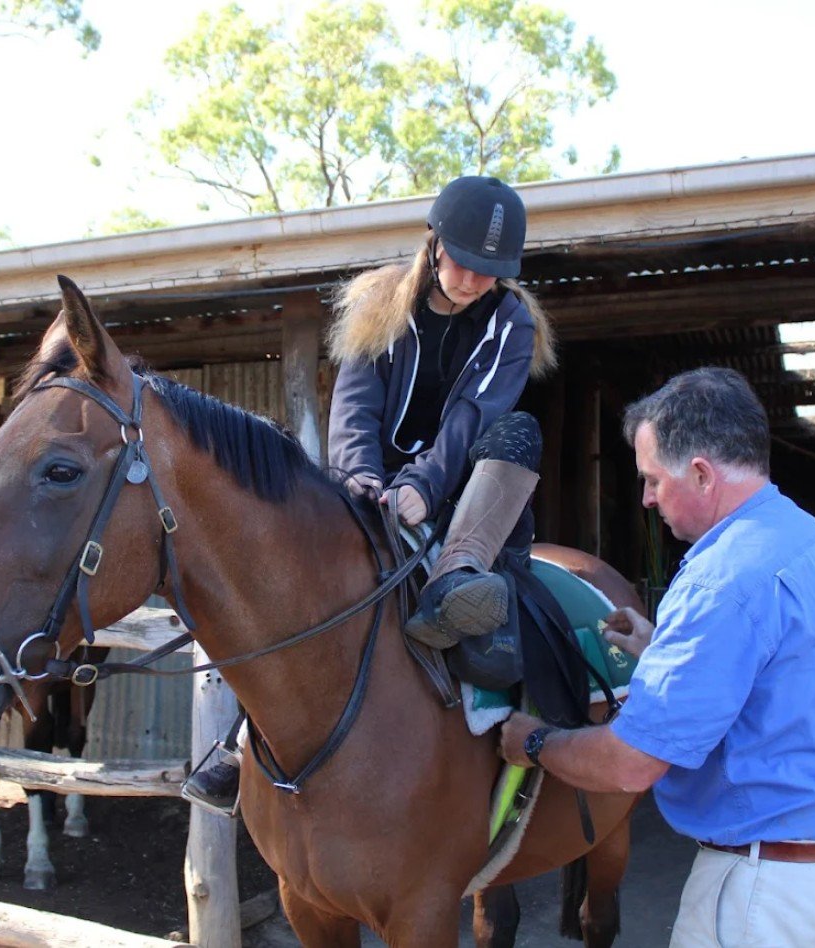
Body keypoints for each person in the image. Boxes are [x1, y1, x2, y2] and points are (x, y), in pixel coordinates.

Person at [184, 175, 557, 813]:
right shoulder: (381, 303)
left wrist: (423, 486)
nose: (472, 280)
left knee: (519, 432)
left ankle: (470, 610)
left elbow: (473, 414)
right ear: (434, 244)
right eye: (463, 263)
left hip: (468, 492)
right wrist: (359, 478)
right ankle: (239, 740)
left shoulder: (512, 322)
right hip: (374, 491)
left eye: (488, 271)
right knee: (292, 599)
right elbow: (354, 405)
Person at [499, 366, 815, 947]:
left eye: (652, 479)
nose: (647, 498)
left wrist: (531, 741)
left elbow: (631, 765)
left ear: (701, 473)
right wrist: (665, 649)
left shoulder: (719, 581)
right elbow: (782, 674)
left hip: (764, 891)